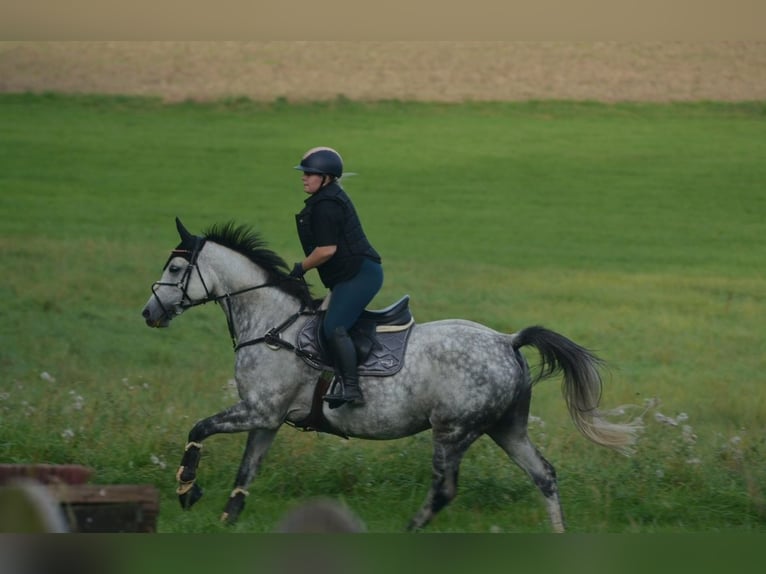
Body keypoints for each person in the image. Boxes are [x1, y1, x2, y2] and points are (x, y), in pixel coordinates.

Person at [289, 147, 383, 408]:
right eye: (304, 173)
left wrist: (301, 267)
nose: (304, 177)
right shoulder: (326, 199)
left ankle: (352, 389)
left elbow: (326, 250)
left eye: (310, 173)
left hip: (360, 275)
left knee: (334, 327)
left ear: (326, 178)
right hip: (351, 274)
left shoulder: (327, 205)